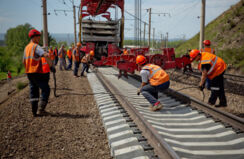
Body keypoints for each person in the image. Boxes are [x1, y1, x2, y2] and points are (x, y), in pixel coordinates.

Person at [23, 29, 55, 117]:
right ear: (36, 37)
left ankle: (34, 112)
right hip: (37, 72)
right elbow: (46, 55)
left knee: (34, 91)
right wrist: (51, 66)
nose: (39, 38)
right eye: (39, 37)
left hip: (29, 73)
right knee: (46, 89)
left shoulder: (26, 48)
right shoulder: (36, 46)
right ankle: (41, 109)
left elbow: (23, 61)